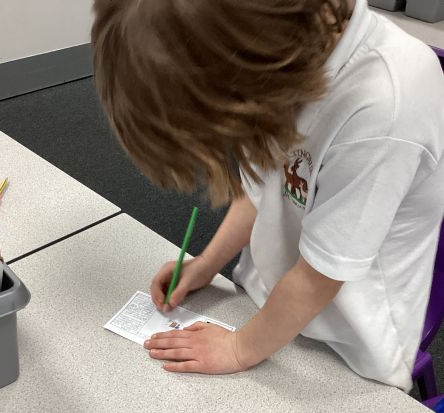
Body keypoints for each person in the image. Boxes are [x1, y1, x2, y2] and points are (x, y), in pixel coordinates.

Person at [92, 0, 444, 390]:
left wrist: (239, 348)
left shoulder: (386, 104)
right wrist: (208, 263)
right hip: (270, 303)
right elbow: (263, 188)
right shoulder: (279, 55)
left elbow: (319, 277)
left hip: (346, 348)